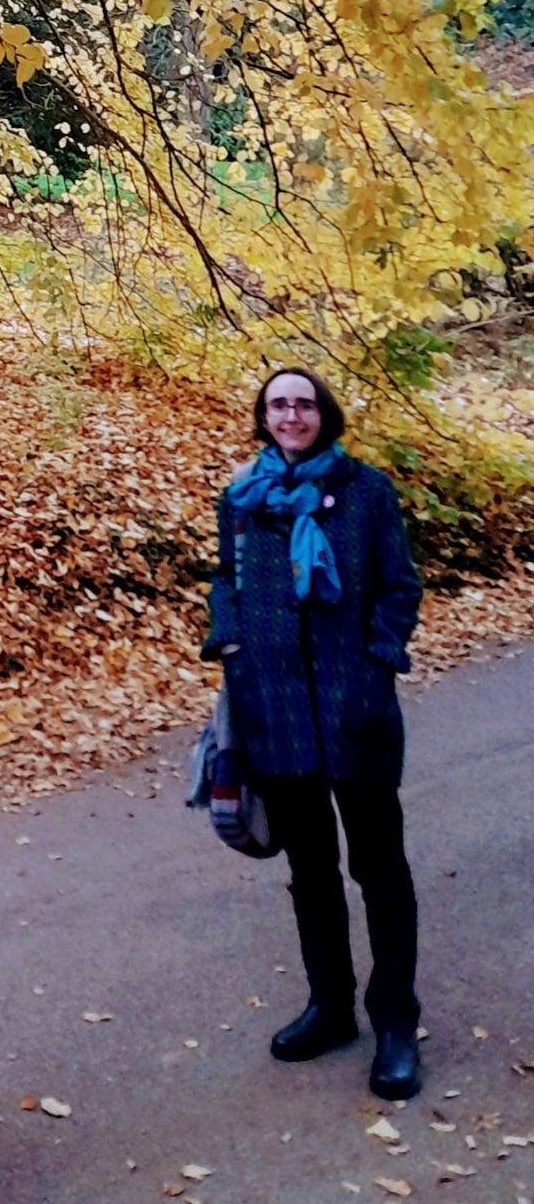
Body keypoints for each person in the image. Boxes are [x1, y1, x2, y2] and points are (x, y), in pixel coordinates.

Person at [202, 366, 424, 1101]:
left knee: (380, 871)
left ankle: (394, 1022)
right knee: (312, 875)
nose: (291, 414)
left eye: (303, 403)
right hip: (277, 712)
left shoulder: (365, 492)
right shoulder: (242, 497)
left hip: (353, 709)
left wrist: (376, 666)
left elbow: (400, 587)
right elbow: (224, 582)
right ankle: (330, 1007)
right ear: (262, 417)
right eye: (277, 405)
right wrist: (231, 646)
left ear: (323, 413)